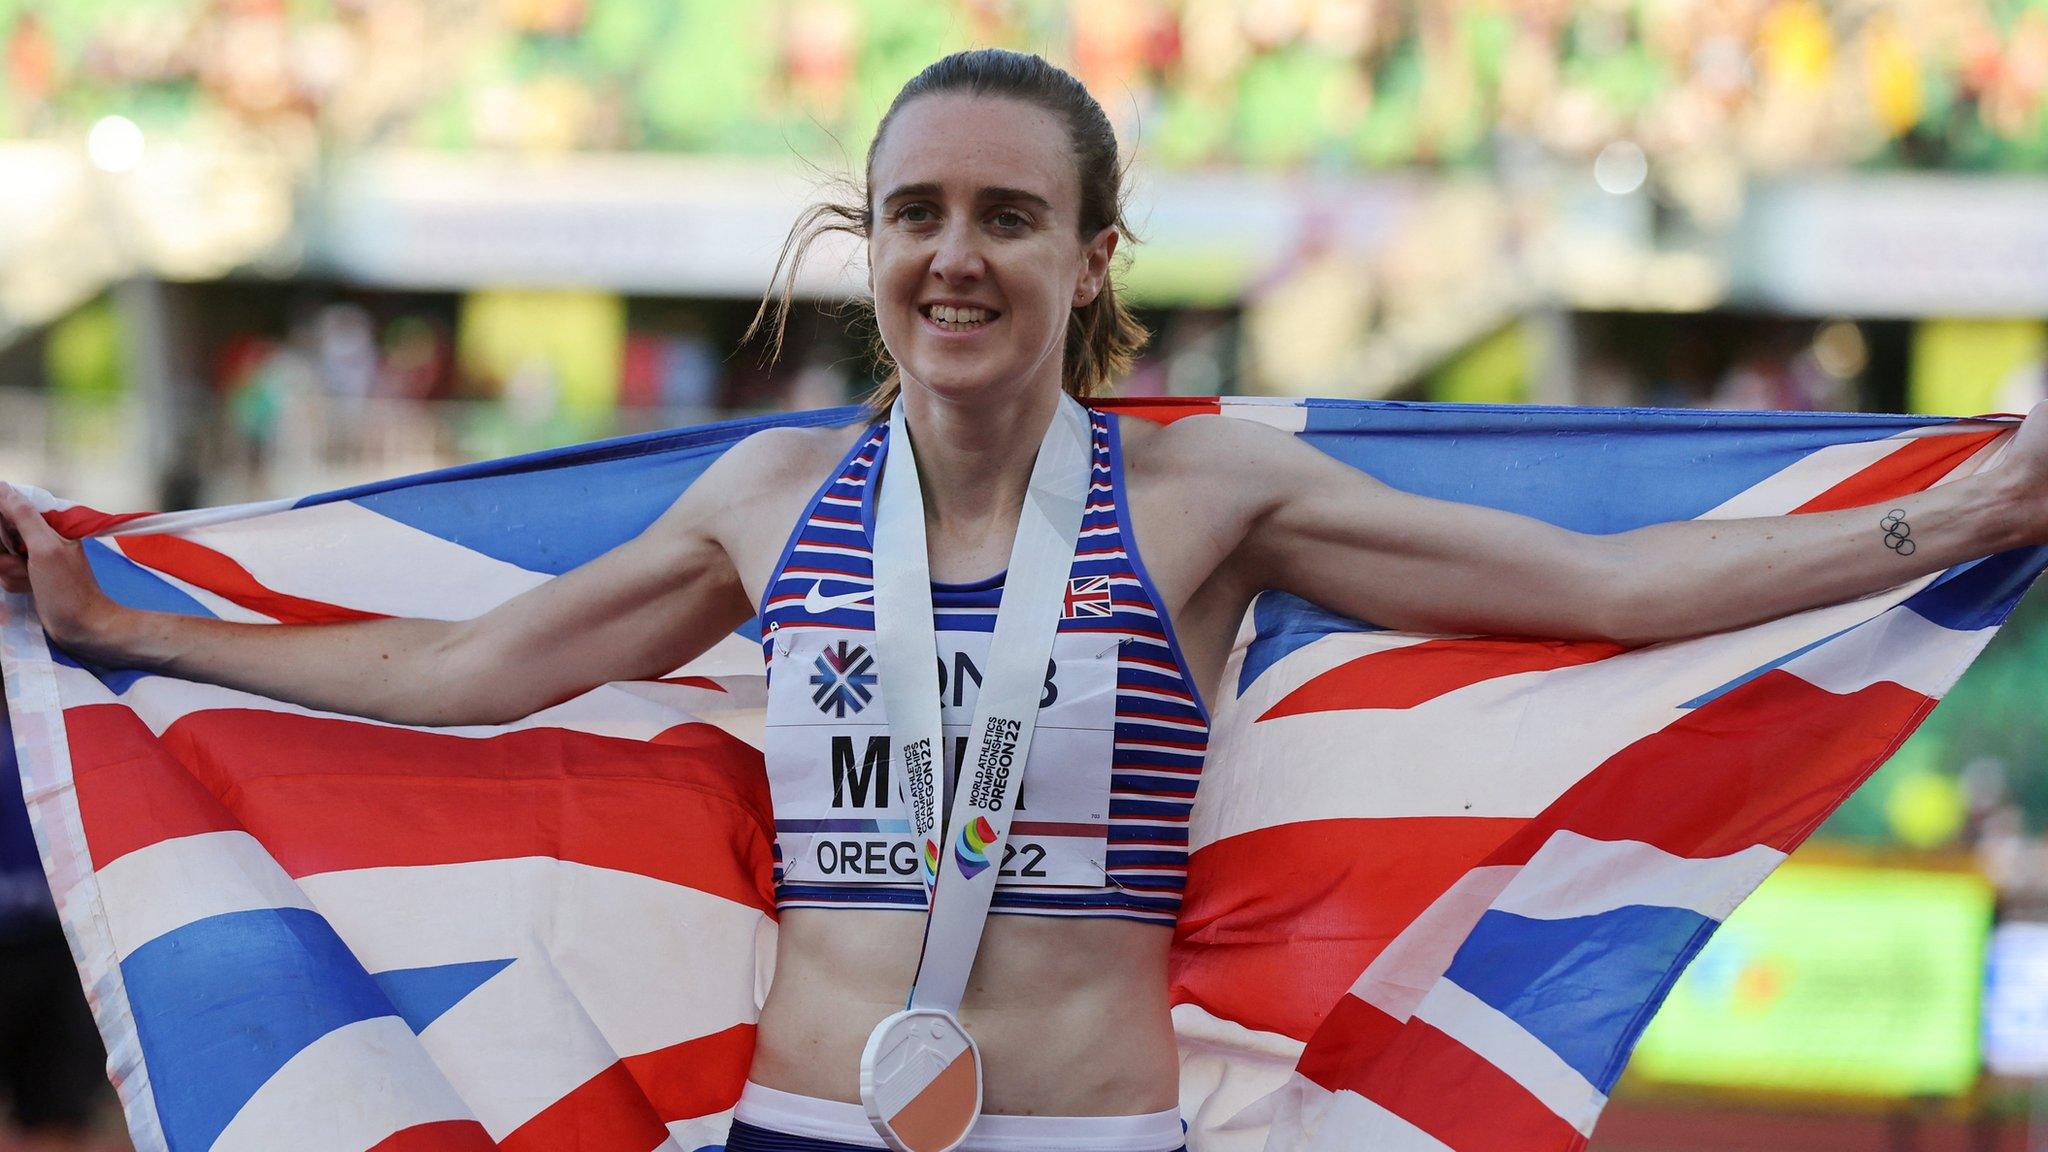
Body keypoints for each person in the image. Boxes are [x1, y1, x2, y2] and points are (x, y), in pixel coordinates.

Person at [2, 48, 2046, 1152]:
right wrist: (121, 626)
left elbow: (1604, 589)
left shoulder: (1202, 495)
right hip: (802, 1130)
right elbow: (459, 673)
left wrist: (1965, 515)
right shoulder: (766, 494)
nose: (954, 255)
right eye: (916, 213)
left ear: (1090, 258)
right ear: (862, 242)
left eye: (1008, 216)